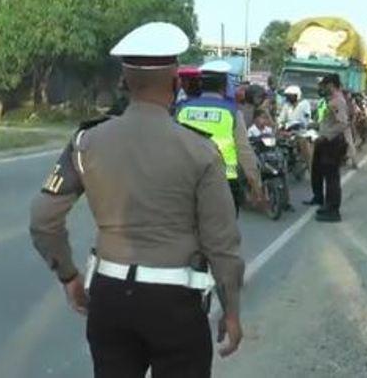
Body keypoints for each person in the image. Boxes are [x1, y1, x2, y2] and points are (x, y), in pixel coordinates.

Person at [29, 22, 244, 378]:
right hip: (176, 305)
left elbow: (42, 219)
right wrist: (232, 311)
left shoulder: (86, 141)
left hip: (109, 298)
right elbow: (221, 244)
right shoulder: (201, 150)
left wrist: (69, 277)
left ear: (124, 83)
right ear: (176, 84)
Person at [176, 61, 264, 216]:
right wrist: (255, 184)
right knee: (223, 234)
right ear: (224, 86)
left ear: (201, 84)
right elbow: (244, 151)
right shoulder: (232, 112)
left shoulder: (182, 109)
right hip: (224, 183)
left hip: (186, 181)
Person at [304, 73, 349, 223]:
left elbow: (342, 124)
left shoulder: (338, 102)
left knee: (331, 178)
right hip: (323, 141)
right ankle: (320, 199)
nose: (322, 88)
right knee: (317, 171)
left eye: (325, 85)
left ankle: (333, 210)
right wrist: (316, 126)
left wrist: (326, 135)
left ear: (331, 85)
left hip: (332, 143)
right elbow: (328, 121)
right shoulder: (330, 101)